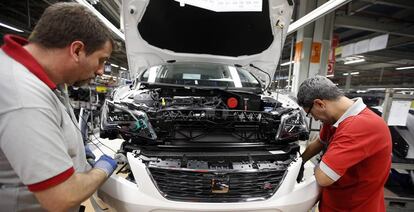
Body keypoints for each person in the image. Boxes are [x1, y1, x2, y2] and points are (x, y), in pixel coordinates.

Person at [0, 2, 118, 211]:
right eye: (101, 60)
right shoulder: (25, 98)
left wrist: (77, 154)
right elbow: (62, 197)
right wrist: (102, 169)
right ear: (77, 50)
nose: (101, 71)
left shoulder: (35, 79)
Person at [297, 76, 391, 211]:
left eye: (311, 114)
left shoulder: (360, 126)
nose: (315, 119)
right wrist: (300, 162)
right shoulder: (336, 118)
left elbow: (323, 177)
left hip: (354, 207)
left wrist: (321, 164)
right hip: (333, 202)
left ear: (320, 104)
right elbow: (319, 142)